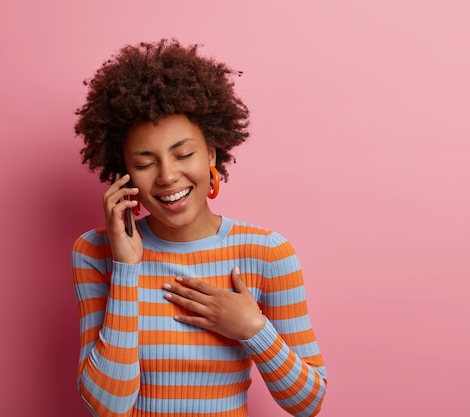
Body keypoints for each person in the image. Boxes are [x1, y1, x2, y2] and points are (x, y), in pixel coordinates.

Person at [72, 39, 327, 417]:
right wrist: (126, 267)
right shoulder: (95, 252)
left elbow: (309, 404)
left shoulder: (267, 253)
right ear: (123, 172)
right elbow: (108, 407)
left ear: (211, 153)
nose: (168, 176)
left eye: (184, 154)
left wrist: (253, 329)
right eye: (145, 163)